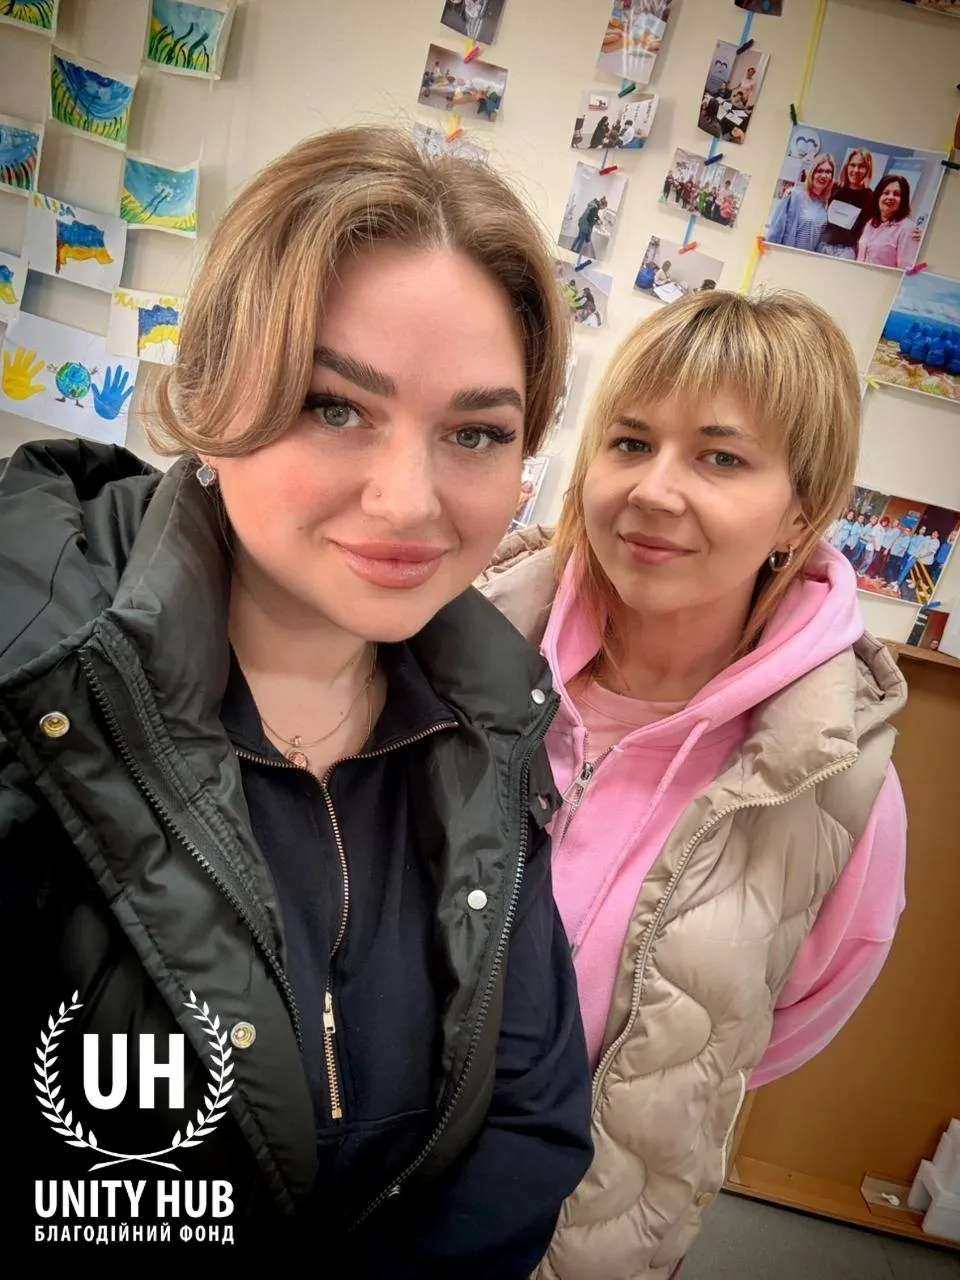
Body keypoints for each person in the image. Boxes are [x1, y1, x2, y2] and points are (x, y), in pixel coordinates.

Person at [1, 127, 593, 1266]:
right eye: (335, 406)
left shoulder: (493, 721)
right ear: (213, 390)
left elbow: (527, 1116)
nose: (410, 500)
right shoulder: (38, 688)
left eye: (476, 432)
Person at [479, 290, 907, 1280]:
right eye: (630, 443)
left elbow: (769, 1025)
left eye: (721, 457)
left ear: (800, 509)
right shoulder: (460, 650)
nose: (655, 491)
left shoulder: (832, 780)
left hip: (580, 1239)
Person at [765, 152, 836, 251]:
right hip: (787, 255)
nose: (824, 175)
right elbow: (776, 229)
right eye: (819, 171)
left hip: (806, 258)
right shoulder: (794, 195)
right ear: (812, 173)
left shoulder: (825, 203)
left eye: (828, 172)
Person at [818, 148, 874, 260]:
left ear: (868, 170)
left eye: (861, 166)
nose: (856, 170)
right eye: (852, 165)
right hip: (823, 245)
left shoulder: (871, 197)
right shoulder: (834, 187)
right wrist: (793, 190)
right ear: (847, 166)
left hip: (846, 252)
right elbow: (813, 191)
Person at [857, 174, 920, 270]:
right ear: (878, 196)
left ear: (903, 200)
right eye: (886, 193)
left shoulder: (907, 229)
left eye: (896, 194)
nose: (890, 197)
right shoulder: (870, 223)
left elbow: (905, 269)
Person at [885, 522, 913, 590]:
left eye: (907, 531)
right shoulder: (901, 535)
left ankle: (891, 582)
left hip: (897, 556)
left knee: (892, 568)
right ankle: (888, 581)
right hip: (893, 553)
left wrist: (897, 553)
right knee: (890, 567)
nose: (906, 531)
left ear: (909, 532)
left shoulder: (907, 538)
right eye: (905, 530)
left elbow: (903, 548)